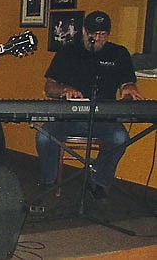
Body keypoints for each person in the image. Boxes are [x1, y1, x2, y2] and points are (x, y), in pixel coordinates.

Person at [35, 11, 143, 199]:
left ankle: (98, 181)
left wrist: (129, 87)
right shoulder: (68, 51)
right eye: (94, 34)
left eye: (103, 34)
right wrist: (64, 90)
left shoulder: (119, 53)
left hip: (104, 117)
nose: (98, 38)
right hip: (69, 115)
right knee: (44, 137)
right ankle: (48, 182)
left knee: (119, 137)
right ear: (84, 31)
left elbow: (126, 82)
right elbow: (49, 86)